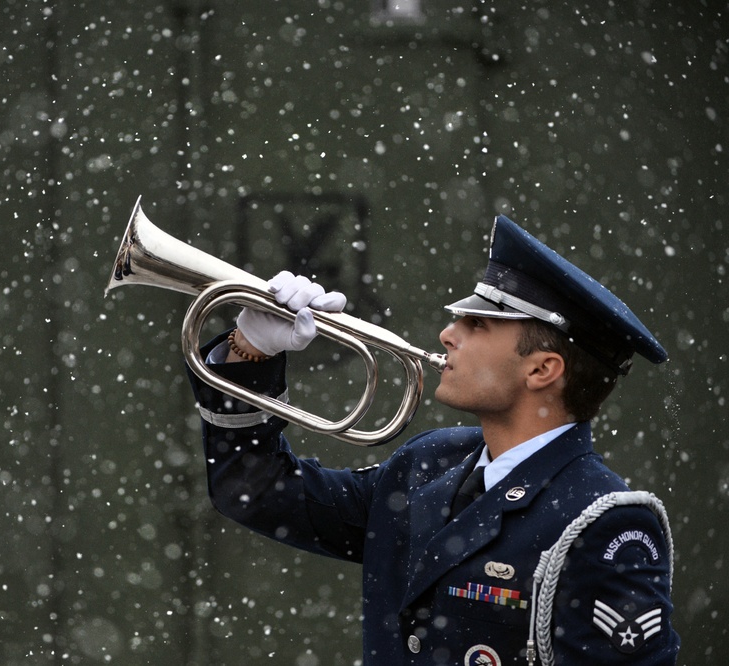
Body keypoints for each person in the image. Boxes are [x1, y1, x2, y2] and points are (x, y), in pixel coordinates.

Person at [186, 215, 680, 665]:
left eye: (477, 324)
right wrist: (249, 351)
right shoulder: (428, 463)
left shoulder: (606, 524)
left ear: (542, 370)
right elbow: (254, 491)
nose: (447, 334)